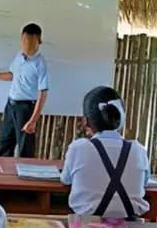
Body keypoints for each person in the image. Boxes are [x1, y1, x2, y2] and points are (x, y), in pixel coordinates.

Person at [61, 87, 149, 220]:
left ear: (87, 121)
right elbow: (144, 183)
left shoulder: (78, 148)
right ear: (120, 119)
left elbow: (66, 180)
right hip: (131, 225)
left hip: (87, 223)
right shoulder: (139, 150)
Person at [0, 23, 50, 159]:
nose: (26, 44)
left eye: (31, 41)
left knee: (25, 147)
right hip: (11, 104)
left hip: (26, 107)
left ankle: (26, 176)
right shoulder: (19, 56)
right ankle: (3, 174)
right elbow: (12, 75)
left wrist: (33, 120)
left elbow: (43, 93)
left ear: (39, 41)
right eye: (24, 40)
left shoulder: (41, 64)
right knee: (4, 142)